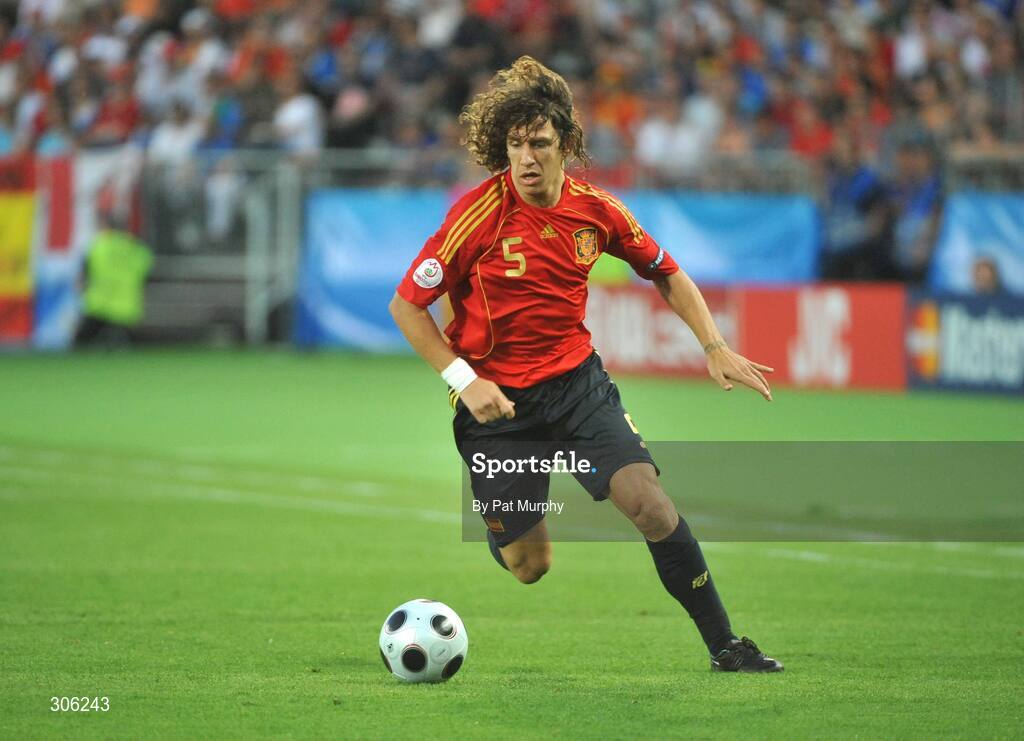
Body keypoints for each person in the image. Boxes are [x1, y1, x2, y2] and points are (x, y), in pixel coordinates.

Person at [389, 57, 782, 673]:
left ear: (566, 144)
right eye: (516, 144)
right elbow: (407, 306)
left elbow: (666, 271)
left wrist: (713, 344)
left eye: (540, 143)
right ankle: (502, 523)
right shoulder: (475, 216)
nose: (527, 157)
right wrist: (465, 380)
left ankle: (726, 646)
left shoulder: (597, 211)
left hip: (576, 386)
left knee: (649, 504)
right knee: (530, 566)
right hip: (497, 407)